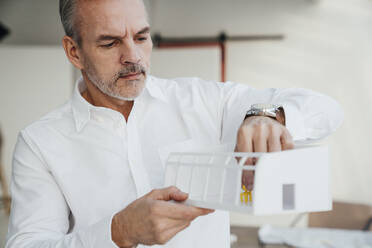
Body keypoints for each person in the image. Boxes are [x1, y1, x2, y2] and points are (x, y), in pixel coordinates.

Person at [5, 0, 343, 247]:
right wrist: (117, 232)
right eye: (110, 43)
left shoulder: (207, 102)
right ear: (74, 52)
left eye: (141, 37)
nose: (133, 57)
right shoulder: (40, 144)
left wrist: (267, 114)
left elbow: (327, 110)